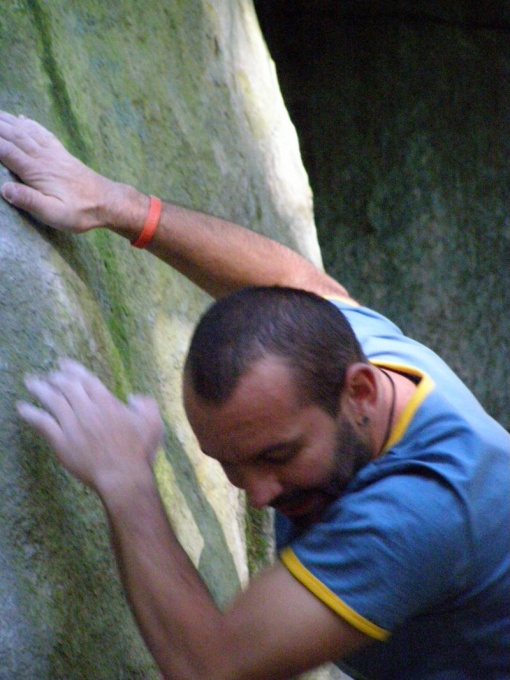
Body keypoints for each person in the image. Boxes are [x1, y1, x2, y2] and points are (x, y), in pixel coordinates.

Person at [0, 110, 508, 680]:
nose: (259, 495)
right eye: (230, 465)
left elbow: (209, 667)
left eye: (277, 455)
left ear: (359, 393)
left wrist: (125, 482)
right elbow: (305, 288)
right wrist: (116, 205)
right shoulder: (355, 351)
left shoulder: (418, 511)